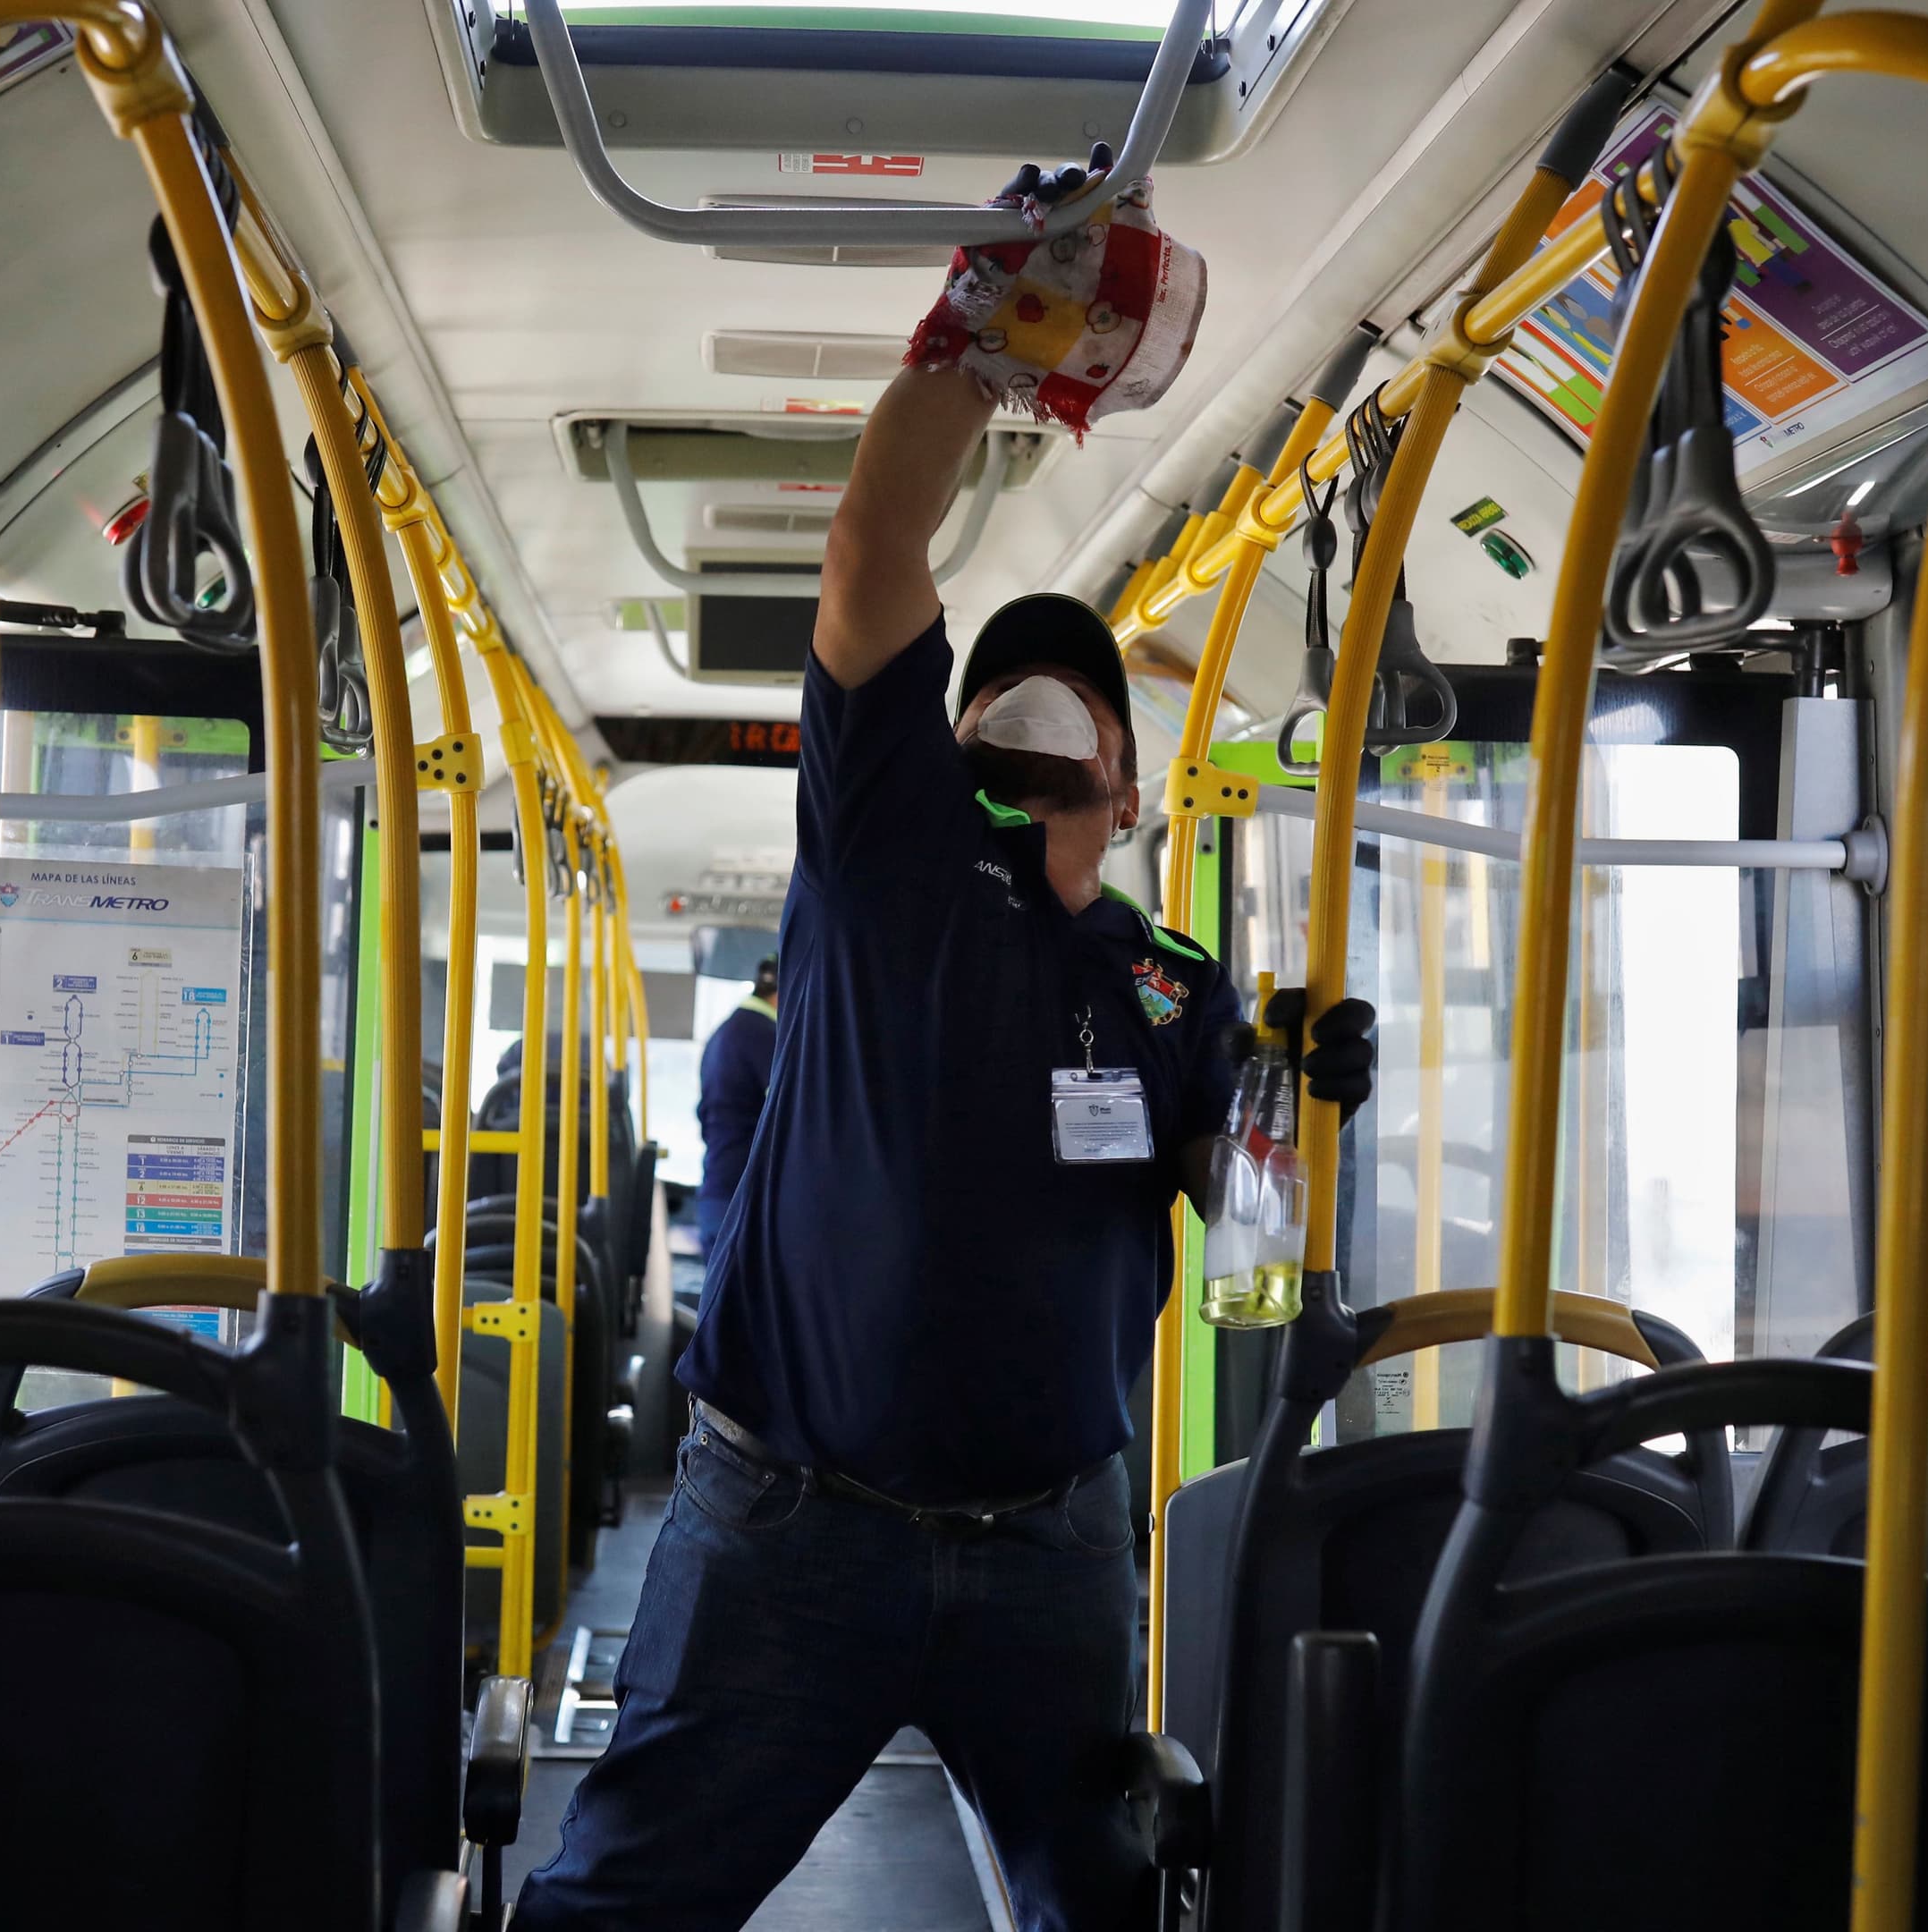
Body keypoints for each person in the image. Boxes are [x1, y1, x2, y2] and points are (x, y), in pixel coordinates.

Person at [514, 151, 1374, 1932]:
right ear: (956, 737)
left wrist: (1297, 1099)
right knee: (621, 1906)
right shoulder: (892, 860)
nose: (1047, 732)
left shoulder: (1168, 989)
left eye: (1088, 718)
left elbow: (1248, 1216)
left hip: (1050, 1545)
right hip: (790, 1530)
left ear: (1134, 798)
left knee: (1101, 1906)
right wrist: (978, 354)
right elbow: (870, 547)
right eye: (1010, 699)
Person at [687, 954, 778, 1251]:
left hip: (720, 1188)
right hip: (745, 1197)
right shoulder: (766, 1036)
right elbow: (793, 1118)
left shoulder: (726, 1033)